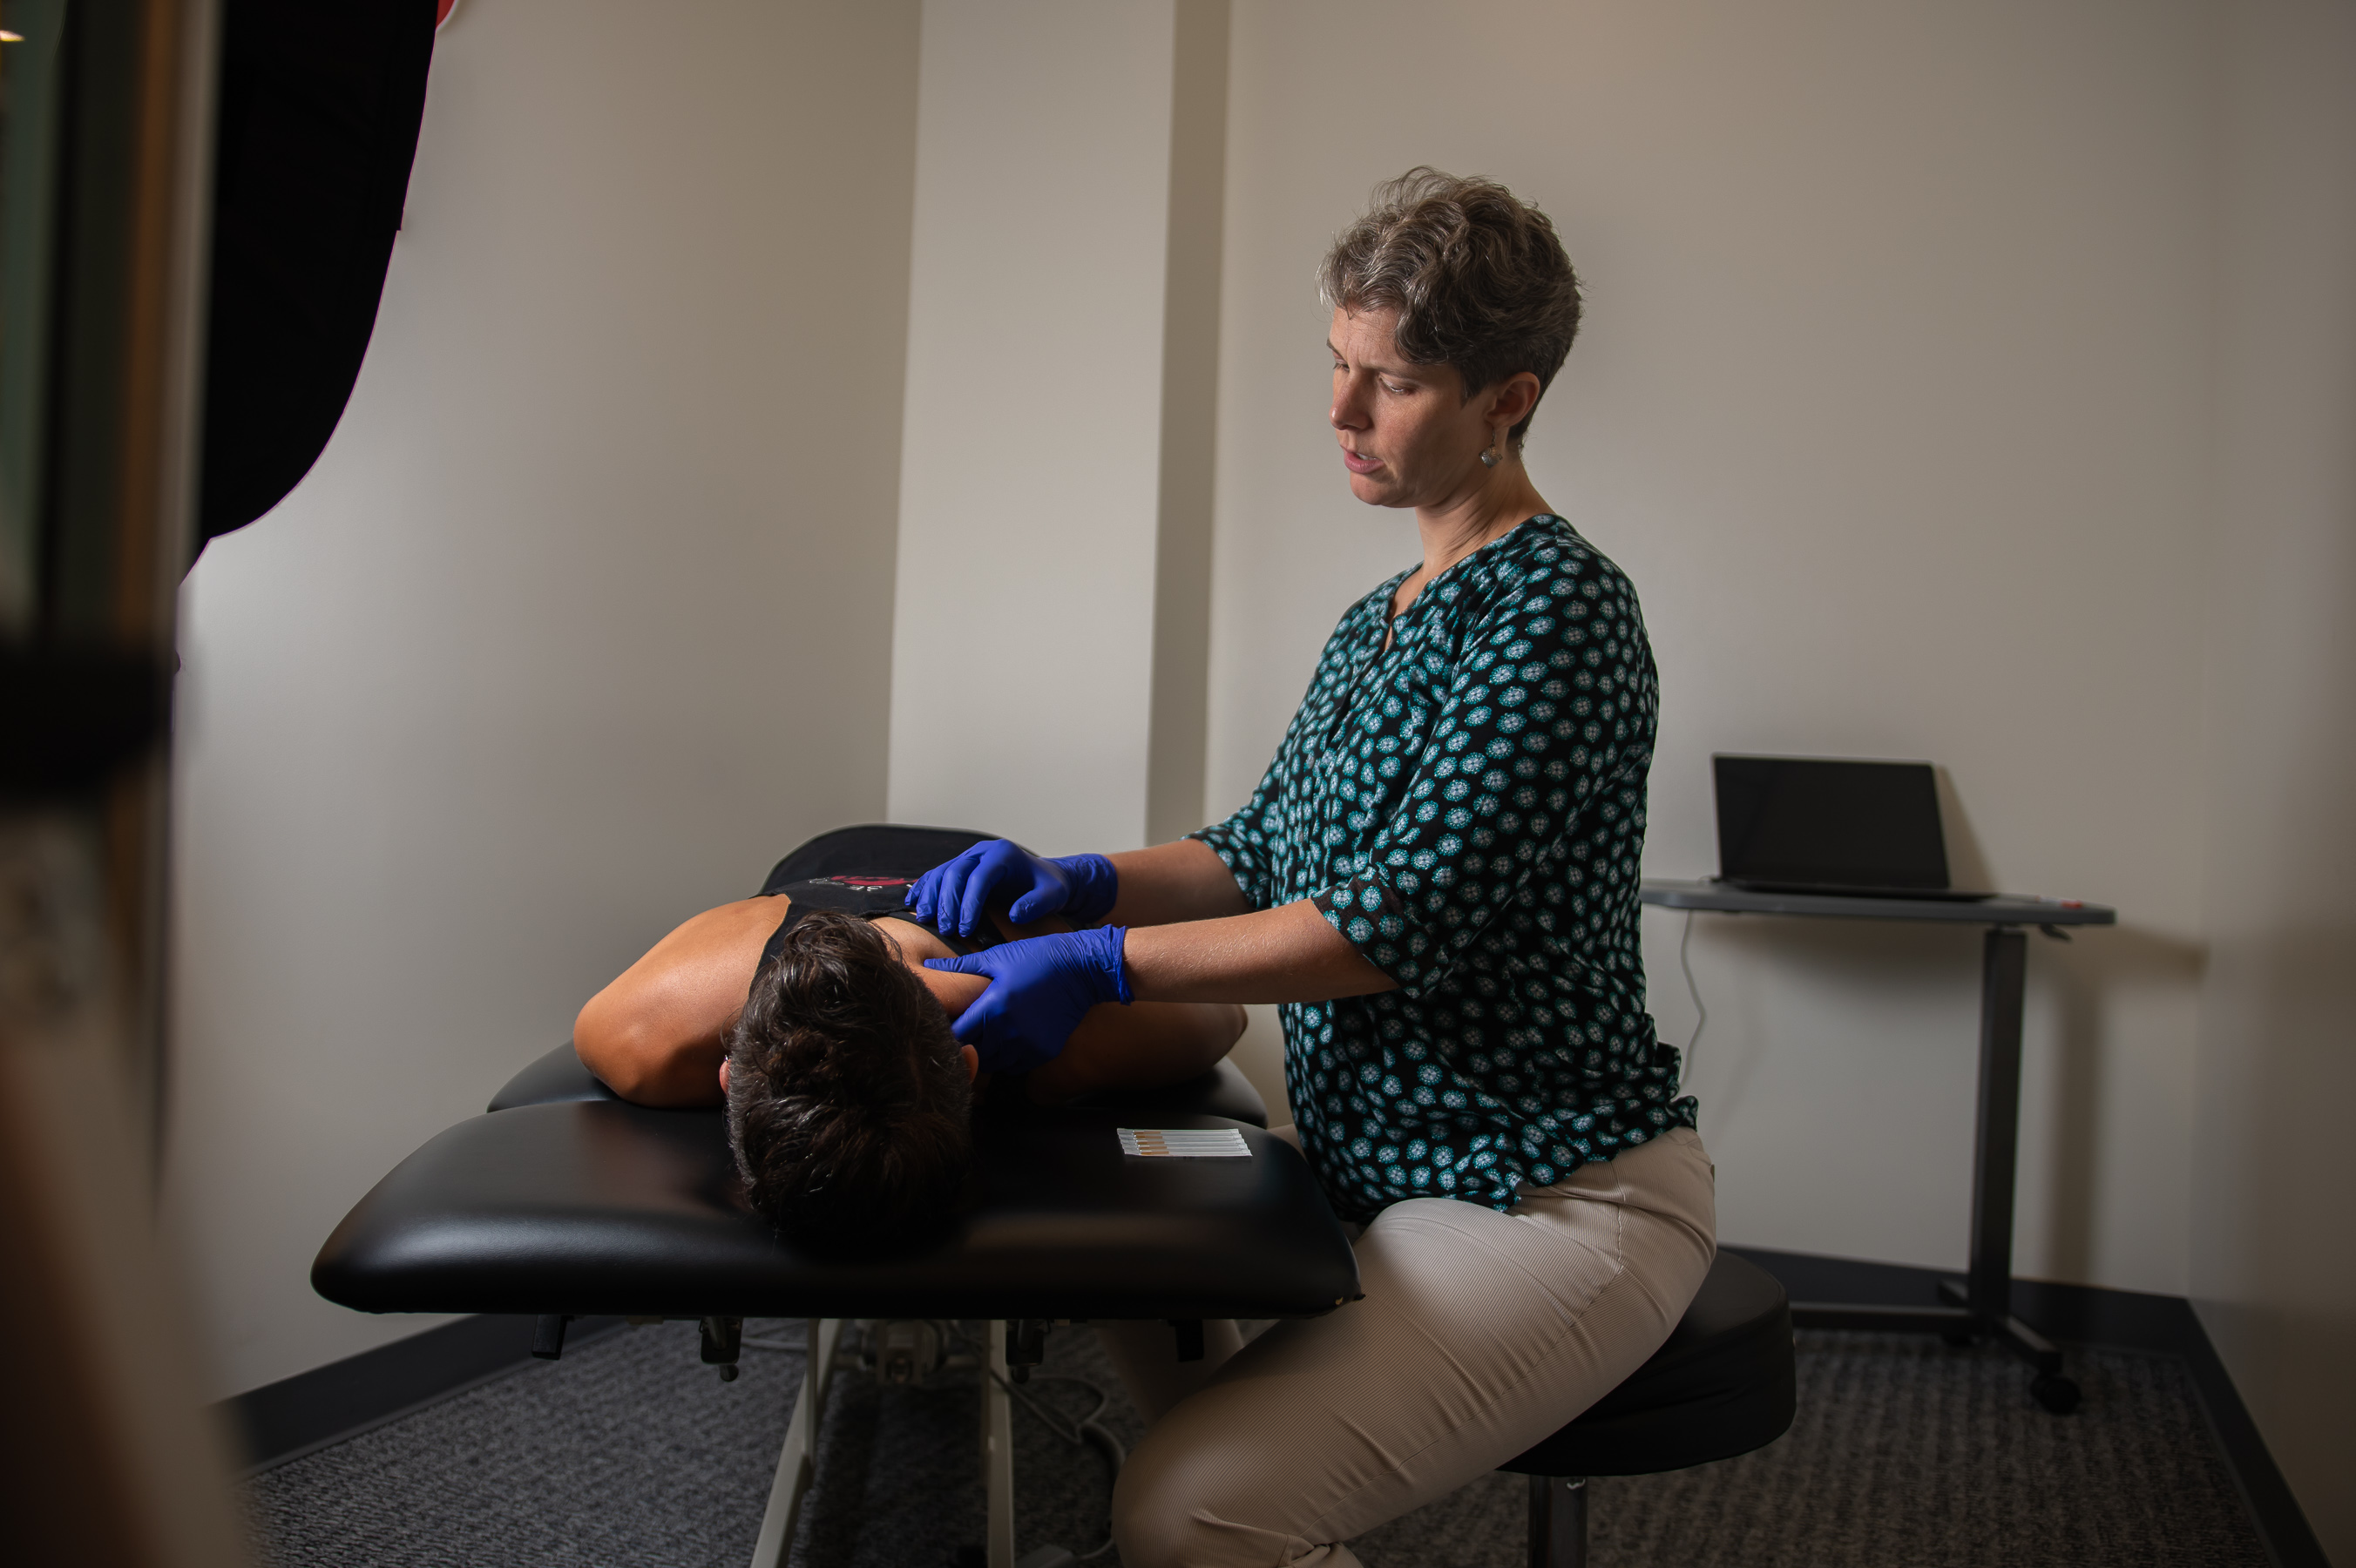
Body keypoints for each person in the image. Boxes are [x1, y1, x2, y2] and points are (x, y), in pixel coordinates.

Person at [905, 169, 1714, 1566]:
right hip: (1371, 1174)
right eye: (1335, 367)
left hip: (1545, 1196)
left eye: (1388, 384)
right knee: (1102, 1262)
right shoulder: (1376, 624)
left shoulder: (1560, 611)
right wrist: (1073, 880)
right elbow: (1260, 849)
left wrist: (1100, 964)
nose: (1338, 413)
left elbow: (1389, 925)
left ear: (1506, 399)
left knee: (1192, 1511)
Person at [572, 853, 1245, 1250]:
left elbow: (1231, 1012)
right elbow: (1227, 1016)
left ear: (725, 1078)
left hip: (840, 857)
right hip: (991, 890)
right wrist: (1090, 960)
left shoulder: (645, 1032)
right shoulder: (1072, 1039)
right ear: (972, 1065)